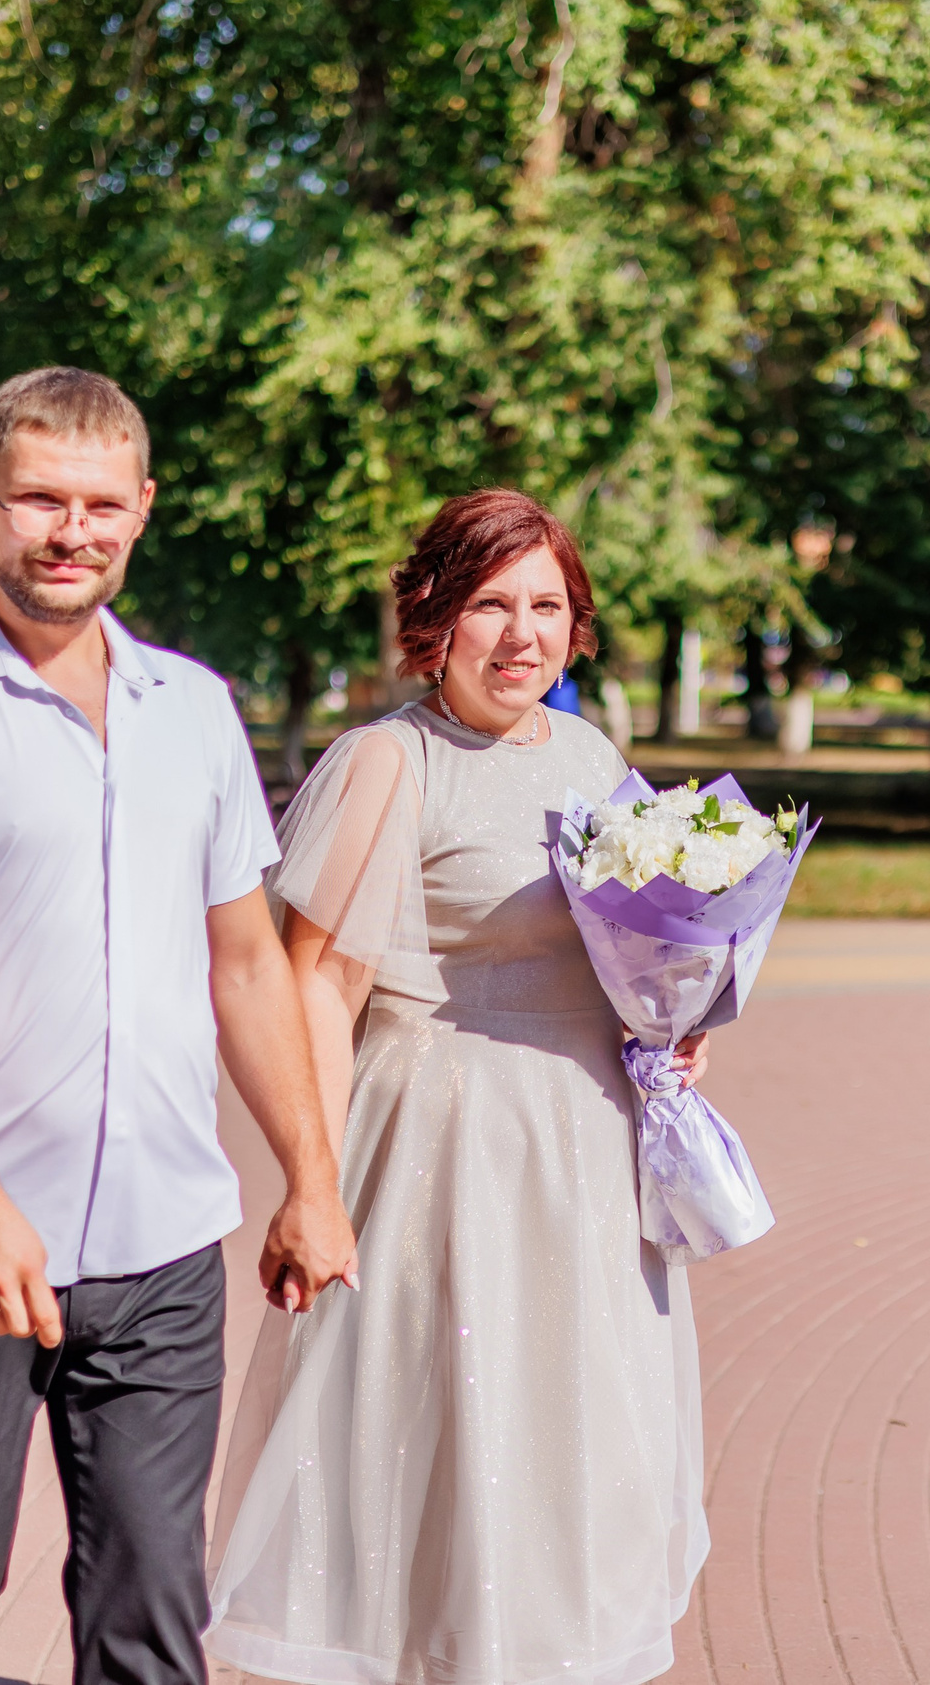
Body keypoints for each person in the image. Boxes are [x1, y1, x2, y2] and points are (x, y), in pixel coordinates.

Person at [0, 366, 357, 1685]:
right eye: (40, 498)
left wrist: (312, 1178)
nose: (71, 530)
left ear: (143, 508)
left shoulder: (196, 708)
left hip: (166, 1245)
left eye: (100, 504)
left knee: (152, 1621)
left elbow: (246, 966)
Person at [207, 489, 712, 1685]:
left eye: (547, 606)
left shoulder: (592, 759)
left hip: (583, 1157)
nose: (521, 635)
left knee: (563, 1437)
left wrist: (676, 1029)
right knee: (435, 1431)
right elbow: (315, 990)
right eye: (492, 603)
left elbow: (640, 945)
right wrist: (309, 1185)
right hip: (440, 1146)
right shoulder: (386, 763)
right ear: (434, 613)